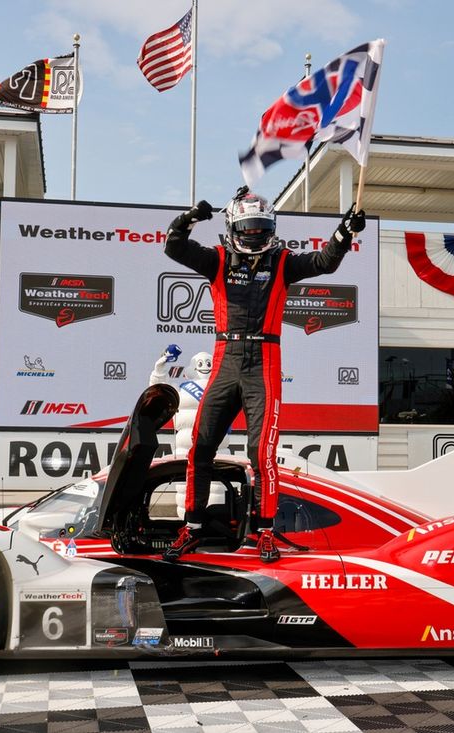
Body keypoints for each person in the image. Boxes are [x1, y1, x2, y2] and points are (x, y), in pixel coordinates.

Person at [161, 187, 365, 563]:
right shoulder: (219, 259)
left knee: (261, 453)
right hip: (226, 357)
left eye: (260, 227)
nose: (254, 233)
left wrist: (344, 233)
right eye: (248, 227)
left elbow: (324, 263)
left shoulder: (283, 260)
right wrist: (189, 218)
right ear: (234, 226)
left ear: (270, 227)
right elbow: (174, 247)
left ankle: (265, 532)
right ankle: (192, 528)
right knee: (200, 447)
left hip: (265, 359)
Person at [148, 346, 222, 458]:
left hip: (219, 447)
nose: (205, 367)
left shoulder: (222, 388)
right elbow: (160, 388)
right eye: (200, 364)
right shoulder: (181, 390)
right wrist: (159, 370)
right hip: (185, 444)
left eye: (208, 364)